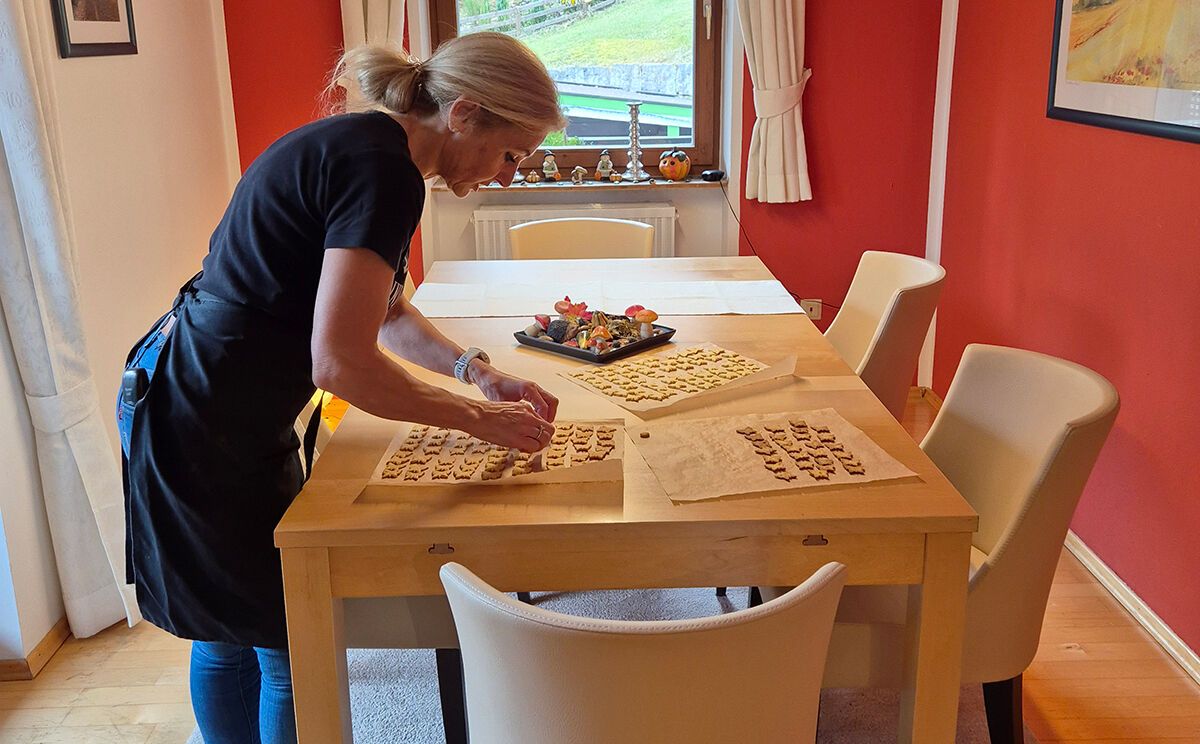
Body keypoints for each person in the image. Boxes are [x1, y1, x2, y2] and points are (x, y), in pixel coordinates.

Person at [116, 32, 565, 744]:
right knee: (281, 638)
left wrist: (477, 372)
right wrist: (476, 422)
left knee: (233, 632)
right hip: (202, 414)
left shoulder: (370, 149)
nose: (508, 177)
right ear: (464, 114)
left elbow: (385, 313)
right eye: (511, 154)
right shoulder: (384, 174)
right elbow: (342, 365)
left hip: (195, 395)